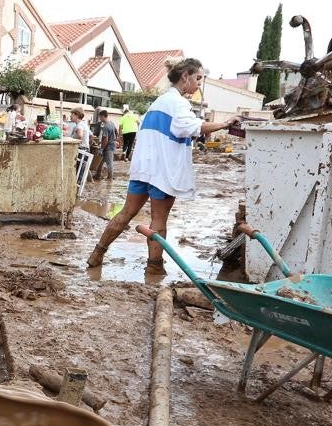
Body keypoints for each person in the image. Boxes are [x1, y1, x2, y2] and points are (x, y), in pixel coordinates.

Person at [87, 58, 240, 274]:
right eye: (198, 78)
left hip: (143, 169)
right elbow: (190, 127)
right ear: (185, 76)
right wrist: (225, 123)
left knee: (126, 213)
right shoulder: (178, 103)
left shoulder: (158, 102)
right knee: (158, 220)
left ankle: (96, 255)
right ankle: (154, 268)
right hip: (161, 171)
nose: (198, 85)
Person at [92, 109, 118, 181]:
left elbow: (105, 139)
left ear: (103, 116)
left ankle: (110, 177)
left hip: (108, 146)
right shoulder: (112, 123)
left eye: (100, 117)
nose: (100, 119)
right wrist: (115, 139)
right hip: (111, 144)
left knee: (109, 162)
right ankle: (98, 175)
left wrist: (102, 148)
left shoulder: (105, 126)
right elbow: (116, 131)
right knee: (100, 161)